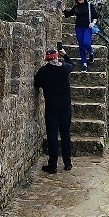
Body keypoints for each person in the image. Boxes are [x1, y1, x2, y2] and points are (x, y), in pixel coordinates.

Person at [33, 46, 74, 174]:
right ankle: (67, 163)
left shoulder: (43, 71)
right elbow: (72, 65)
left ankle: (53, 165)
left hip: (51, 106)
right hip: (65, 106)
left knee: (52, 135)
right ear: (56, 57)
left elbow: (37, 83)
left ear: (46, 58)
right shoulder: (64, 68)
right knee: (65, 134)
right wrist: (65, 55)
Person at [60, 0, 97, 70]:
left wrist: (93, 23)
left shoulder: (89, 6)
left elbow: (95, 16)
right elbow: (68, 14)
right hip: (78, 28)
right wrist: (63, 9)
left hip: (87, 27)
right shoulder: (76, 7)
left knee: (86, 43)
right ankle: (84, 64)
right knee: (81, 46)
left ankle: (90, 53)